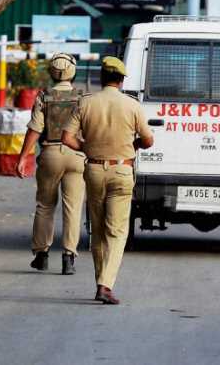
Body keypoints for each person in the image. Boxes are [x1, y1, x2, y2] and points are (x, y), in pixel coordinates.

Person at [62, 56, 154, 305]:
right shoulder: (132, 105)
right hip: (122, 171)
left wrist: (87, 148)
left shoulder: (85, 102)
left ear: (101, 78)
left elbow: (67, 137)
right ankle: (105, 285)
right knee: (117, 231)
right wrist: (133, 145)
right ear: (121, 80)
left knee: (99, 230)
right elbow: (148, 140)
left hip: (93, 170)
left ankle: (100, 281)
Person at [16, 53, 86, 275]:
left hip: (50, 155)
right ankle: (69, 257)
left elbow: (35, 129)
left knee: (45, 206)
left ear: (51, 73)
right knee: (73, 208)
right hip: (77, 155)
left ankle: (41, 255)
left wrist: (23, 157)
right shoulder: (82, 98)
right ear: (73, 72)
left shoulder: (43, 97)